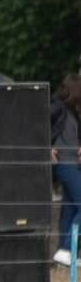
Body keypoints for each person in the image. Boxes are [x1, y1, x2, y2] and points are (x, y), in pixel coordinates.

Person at [51, 74, 81, 266]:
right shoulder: (58, 107)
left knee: (70, 207)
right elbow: (39, 125)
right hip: (65, 162)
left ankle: (64, 250)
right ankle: (67, 248)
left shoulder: (71, 111)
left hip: (71, 162)